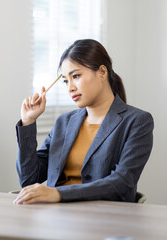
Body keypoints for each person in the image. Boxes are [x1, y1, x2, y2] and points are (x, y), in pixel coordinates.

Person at [14, 39, 154, 204]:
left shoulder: (137, 121)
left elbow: (122, 183)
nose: (70, 87)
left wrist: (59, 194)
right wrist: (28, 122)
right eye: (66, 80)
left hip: (104, 218)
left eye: (76, 76)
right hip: (56, 217)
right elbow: (29, 179)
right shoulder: (64, 122)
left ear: (102, 72)